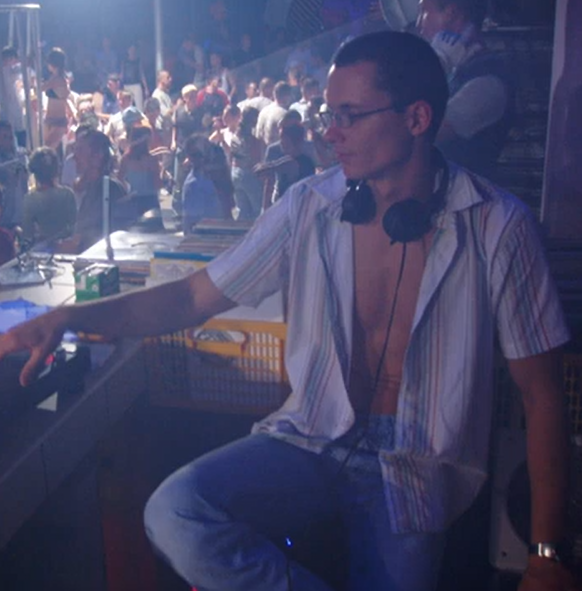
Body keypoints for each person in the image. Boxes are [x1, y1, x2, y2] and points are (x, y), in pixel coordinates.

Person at [0, 30, 577, 591]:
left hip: (416, 467)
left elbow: (543, 394)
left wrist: (545, 556)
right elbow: (191, 297)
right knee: (174, 512)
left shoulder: (497, 226)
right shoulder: (309, 207)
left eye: (350, 116)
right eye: (330, 114)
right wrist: (70, 318)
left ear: (417, 118)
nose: (331, 133)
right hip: (311, 437)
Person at [416, 0, 514, 179]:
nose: (419, 24)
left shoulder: (487, 84)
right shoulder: (457, 71)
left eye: (424, 12)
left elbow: (417, 133)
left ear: (451, 13)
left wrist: (439, 64)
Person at [22, 146, 77, 245]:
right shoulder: (68, 194)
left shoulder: (30, 199)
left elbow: (27, 233)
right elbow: (74, 227)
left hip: (41, 249)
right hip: (66, 248)